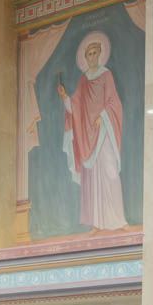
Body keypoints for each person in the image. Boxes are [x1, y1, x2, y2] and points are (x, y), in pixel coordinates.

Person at [56, 33, 127, 231]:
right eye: (89, 54)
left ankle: (117, 219)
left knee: (110, 171)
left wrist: (103, 116)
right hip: (87, 136)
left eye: (95, 53)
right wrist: (64, 97)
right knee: (93, 177)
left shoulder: (106, 75)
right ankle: (97, 223)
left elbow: (114, 102)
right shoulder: (83, 80)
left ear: (100, 54)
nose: (92, 57)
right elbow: (75, 107)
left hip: (103, 131)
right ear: (85, 58)